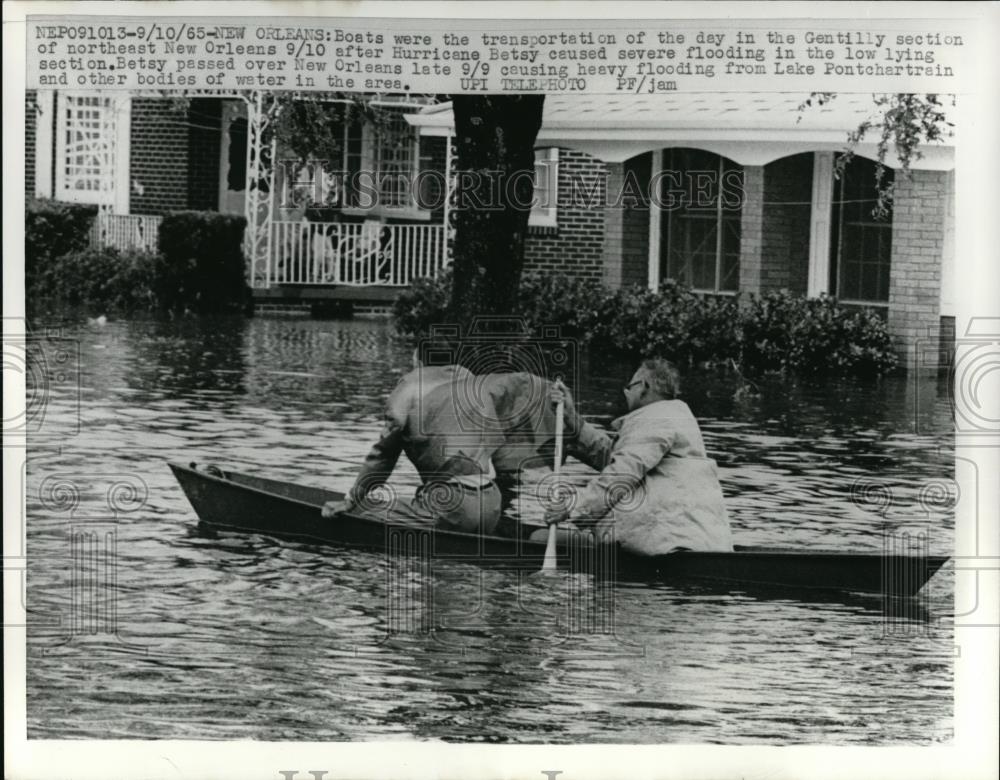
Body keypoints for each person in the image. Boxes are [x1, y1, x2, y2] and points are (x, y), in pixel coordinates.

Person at [544, 358, 733, 555]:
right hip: (695, 540)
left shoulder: (655, 418)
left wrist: (573, 507)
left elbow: (621, 473)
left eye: (629, 386)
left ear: (643, 387)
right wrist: (572, 418)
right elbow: (617, 460)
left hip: (671, 544)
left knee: (537, 538)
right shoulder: (672, 417)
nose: (626, 393)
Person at [321, 354, 503, 534]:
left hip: (453, 506)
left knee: (366, 517)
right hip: (492, 502)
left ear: (419, 361)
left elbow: (384, 455)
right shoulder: (469, 384)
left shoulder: (411, 388)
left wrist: (351, 500)